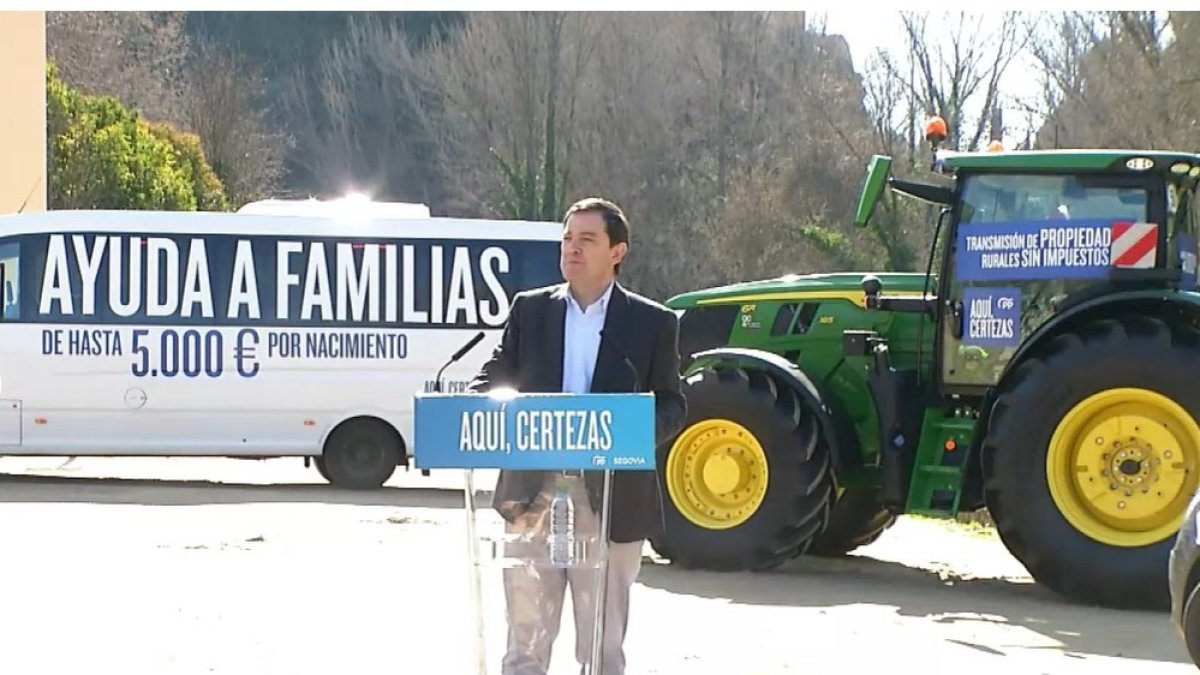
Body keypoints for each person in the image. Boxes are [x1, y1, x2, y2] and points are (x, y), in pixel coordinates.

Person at [468, 196, 687, 675]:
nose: (572, 248)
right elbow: (493, 378)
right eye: (568, 238)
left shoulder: (653, 323)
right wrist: (480, 404)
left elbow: (672, 404)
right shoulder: (530, 311)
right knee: (525, 645)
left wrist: (626, 436)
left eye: (587, 239)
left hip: (611, 498)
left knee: (602, 650)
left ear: (617, 251)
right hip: (532, 493)